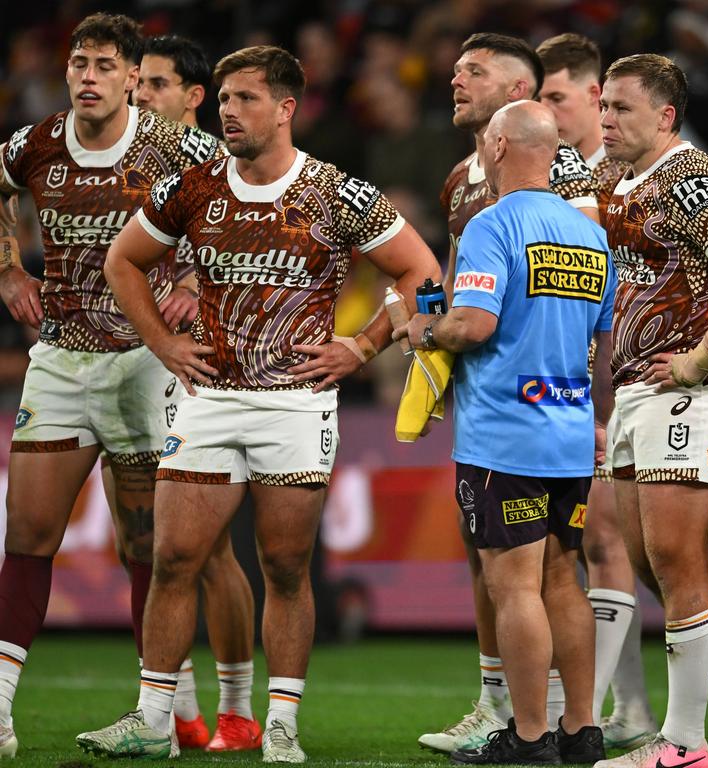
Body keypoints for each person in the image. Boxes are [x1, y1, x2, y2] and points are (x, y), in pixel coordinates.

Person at [75, 45, 441, 762]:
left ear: (285, 108)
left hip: (297, 406)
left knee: (283, 567)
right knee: (174, 557)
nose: (228, 113)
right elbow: (124, 262)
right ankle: (154, 719)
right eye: (224, 101)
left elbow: (424, 271)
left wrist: (364, 347)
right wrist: (161, 344)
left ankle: (280, 723)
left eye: (245, 100)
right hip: (209, 399)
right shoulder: (193, 186)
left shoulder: (337, 192)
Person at [0, 13, 222, 757]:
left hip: (143, 360)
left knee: (147, 545)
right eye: (78, 63)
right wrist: (7, 265)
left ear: (133, 78)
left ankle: (161, 716)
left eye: (104, 65)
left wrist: (194, 273)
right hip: (61, 360)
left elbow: (240, 201)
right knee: (28, 536)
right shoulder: (37, 145)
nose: (87, 77)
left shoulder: (178, 146)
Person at [398, 98, 614, 766]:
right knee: (562, 578)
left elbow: (474, 324)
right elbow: (602, 342)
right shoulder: (590, 235)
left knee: (513, 584)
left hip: (505, 434)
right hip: (570, 429)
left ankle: (527, 738)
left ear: (496, 146)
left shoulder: (494, 225)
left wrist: (424, 330)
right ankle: (582, 730)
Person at [591, 53, 708, 768]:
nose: (607, 119)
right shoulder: (619, 180)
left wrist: (701, 356)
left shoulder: (688, 173)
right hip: (642, 391)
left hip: (693, 392)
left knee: (674, 558)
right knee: (653, 563)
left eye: (622, 108)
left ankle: (682, 743)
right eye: (603, 106)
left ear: (666, 117)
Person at [131, 33, 261, 752]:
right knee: (152, 546)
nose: (140, 97)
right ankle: (174, 710)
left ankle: (237, 711)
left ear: (192, 97)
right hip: (118, 358)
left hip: (192, 365)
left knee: (206, 550)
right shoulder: (110, 152)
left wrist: (186, 282)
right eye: (137, 84)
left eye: (154, 85)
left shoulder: (221, 163)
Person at [536, 31, 656, 749]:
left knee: (613, 547)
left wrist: (602, 403)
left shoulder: (622, 179)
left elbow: (612, 301)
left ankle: (572, 716)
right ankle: (632, 713)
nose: (545, 110)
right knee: (610, 552)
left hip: (614, 388)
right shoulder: (585, 179)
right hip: (582, 390)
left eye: (558, 97)